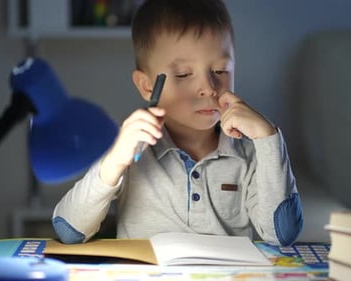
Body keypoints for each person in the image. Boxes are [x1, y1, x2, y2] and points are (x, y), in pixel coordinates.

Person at [52, 0, 303, 246]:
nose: (208, 88)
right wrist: (115, 160)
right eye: (183, 74)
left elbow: (283, 233)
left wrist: (267, 138)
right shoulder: (130, 148)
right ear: (147, 85)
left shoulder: (249, 152)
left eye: (220, 71)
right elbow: (69, 229)